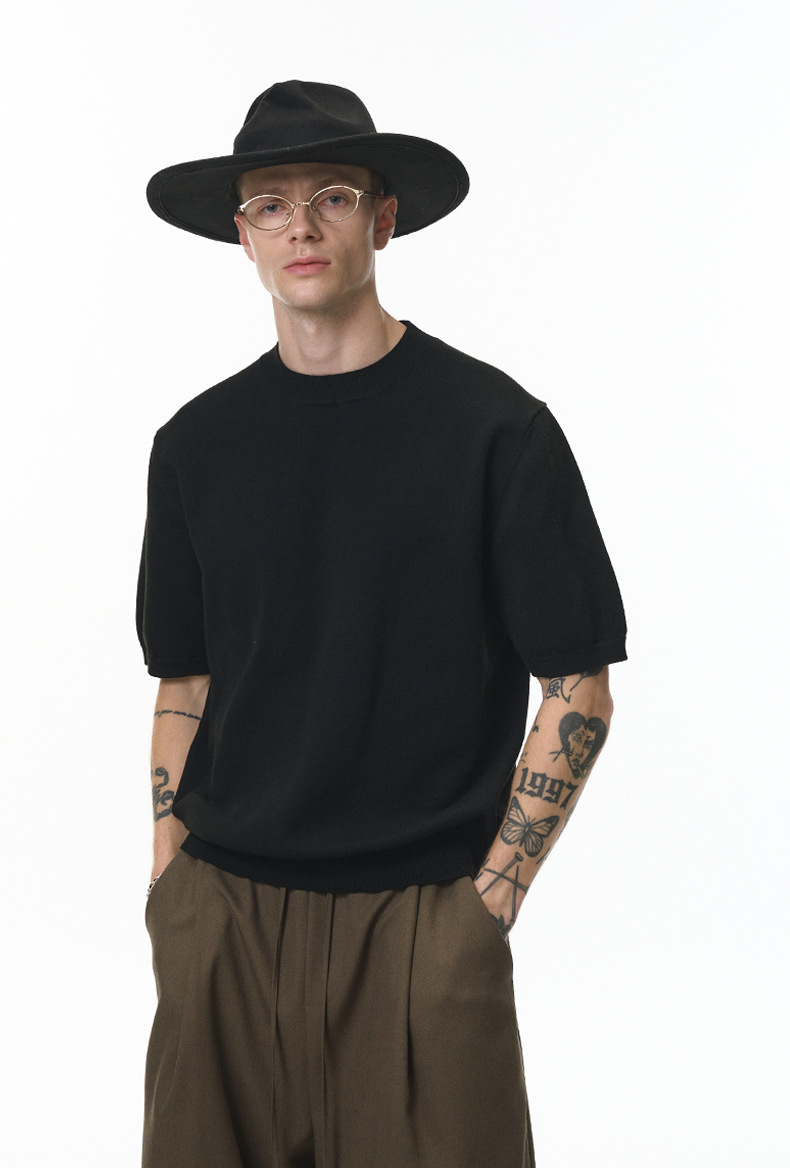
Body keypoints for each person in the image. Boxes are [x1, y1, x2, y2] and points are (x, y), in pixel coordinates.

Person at [136, 79, 627, 1168]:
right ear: (242, 234)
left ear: (384, 219)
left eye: (333, 196)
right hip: (223, 917)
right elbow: (185, 679)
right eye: (270, 205)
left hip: (423, 923)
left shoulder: (495, 430)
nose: (300, 228)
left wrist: (486, 905)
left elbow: (577, 684)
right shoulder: (196, 445)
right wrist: (171, 883)